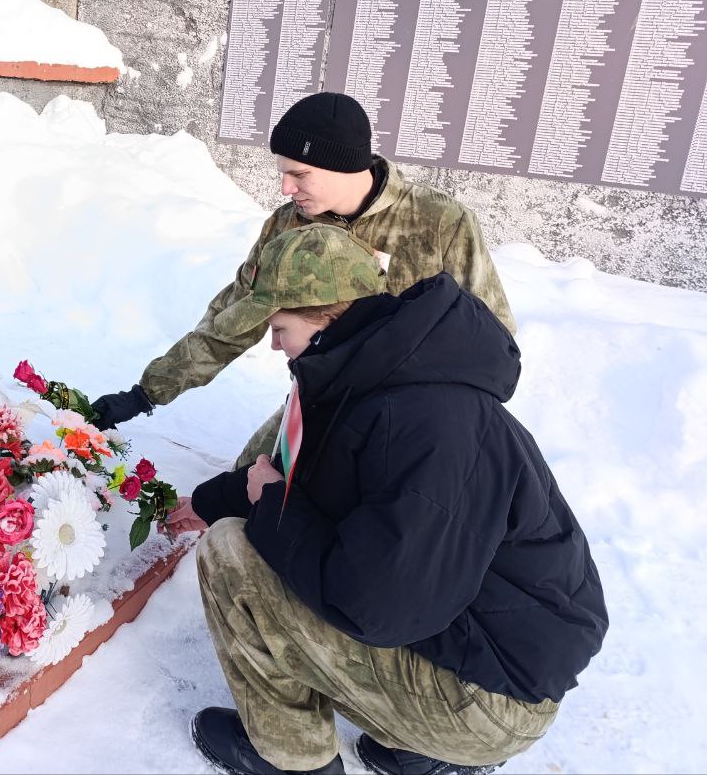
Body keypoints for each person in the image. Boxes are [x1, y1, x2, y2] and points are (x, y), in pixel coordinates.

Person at [173, 224, 607, 775]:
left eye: (280, 328)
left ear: (326, 315)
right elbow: (307, 476)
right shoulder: (379, 375)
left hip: (491, 701)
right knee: (258, 527)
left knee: (231, 554)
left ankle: (296, 760)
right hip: (487, 653)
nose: (275, 344)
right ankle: (420, 749)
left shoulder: (426, 425)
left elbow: (374, 608)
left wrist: (273, 509)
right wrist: (209, 500)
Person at [90, 91, 515, 473]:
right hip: (319, 396)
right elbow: (233, 318)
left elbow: (491, 337)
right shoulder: (287, 226)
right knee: (245, 483)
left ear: (344, 165)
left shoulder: (440, 223)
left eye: (300, 174)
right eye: (283, 173)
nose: (285, 187)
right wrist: (147, 393)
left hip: (410, 415)